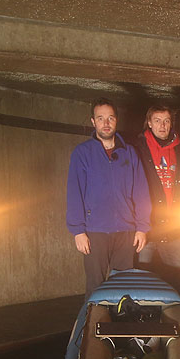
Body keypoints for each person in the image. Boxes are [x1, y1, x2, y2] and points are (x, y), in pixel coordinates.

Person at [66, 98, 150, 296]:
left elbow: (141, 192)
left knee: (124, 288)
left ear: (116, 121)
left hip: (126, 231)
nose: (106, 123)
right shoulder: (82, 153)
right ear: (93, 121)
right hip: (95, 232)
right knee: (95, 286)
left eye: (110, 118)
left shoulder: (130, 153)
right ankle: (93, 325)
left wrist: (142, 227)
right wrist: (78, 231)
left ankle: (120, 326)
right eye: (100, 118)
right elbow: (74, 192)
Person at [130, 105, 180, 286]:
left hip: (173, 229)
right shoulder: (137, 149)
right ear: (149, 123)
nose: (162, 125)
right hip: (147, 228)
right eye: (157, 120)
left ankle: (174, 314)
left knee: (177, 280)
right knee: (141, 279)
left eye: (166, 121)